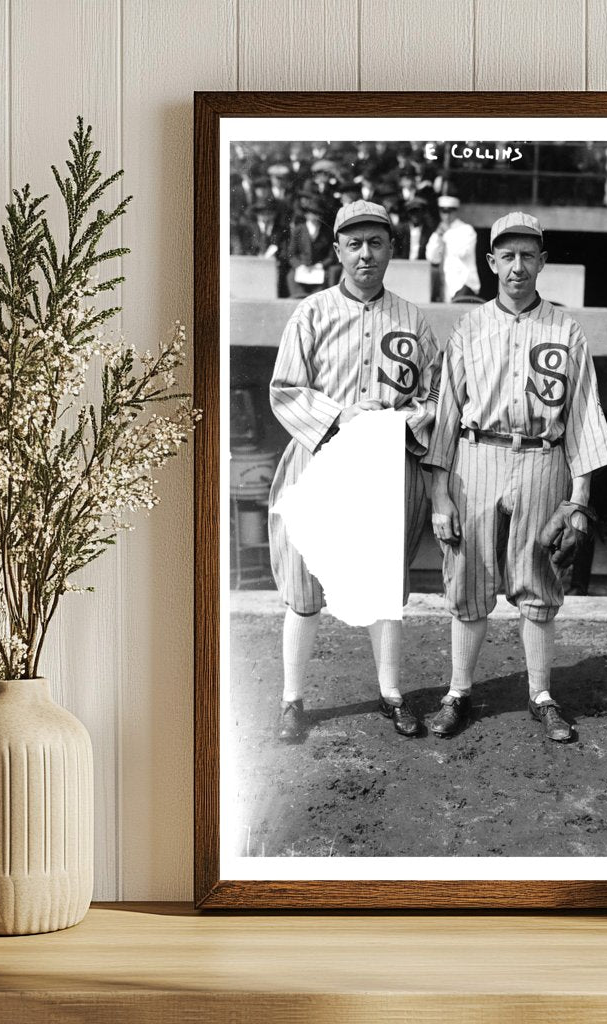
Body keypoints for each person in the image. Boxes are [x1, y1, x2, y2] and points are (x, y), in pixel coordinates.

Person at [424, 212, 607, 742]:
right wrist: (440, 494)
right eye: (506, 256)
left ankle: (541, 695)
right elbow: (444, 415)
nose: (517, 266)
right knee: (468, 579)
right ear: (490, 263)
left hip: (542, 457)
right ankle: (458, 692)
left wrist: (579, 500)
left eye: (527, 255)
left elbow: (582, 416)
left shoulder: (566, 329)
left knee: (540, 582)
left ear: (542, 262)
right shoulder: (468, 327)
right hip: (476, 455)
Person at [268, 200, 441, 742]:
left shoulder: (414, 319)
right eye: (355, 244)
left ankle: (392, 695)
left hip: (384, 468)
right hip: (321, 461)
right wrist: (343, 414)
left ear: (391, 248)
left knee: (385, 583)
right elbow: (284, 390)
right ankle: (292, 699)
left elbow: (436, 396)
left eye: (376, 243)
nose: (366, 254)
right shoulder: (312, 312)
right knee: (303, 585)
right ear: (338, 250)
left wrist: (398, 418)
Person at [426, 195, 480, 302]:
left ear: (455, 212)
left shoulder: (466, 230)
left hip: (464, 284)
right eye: (443, 211)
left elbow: (462, 253)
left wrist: (447, 234)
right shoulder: (439, 231)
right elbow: (431, 258)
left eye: (449, 211)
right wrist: (438, 236)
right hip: (446, 285)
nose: (446, 215)